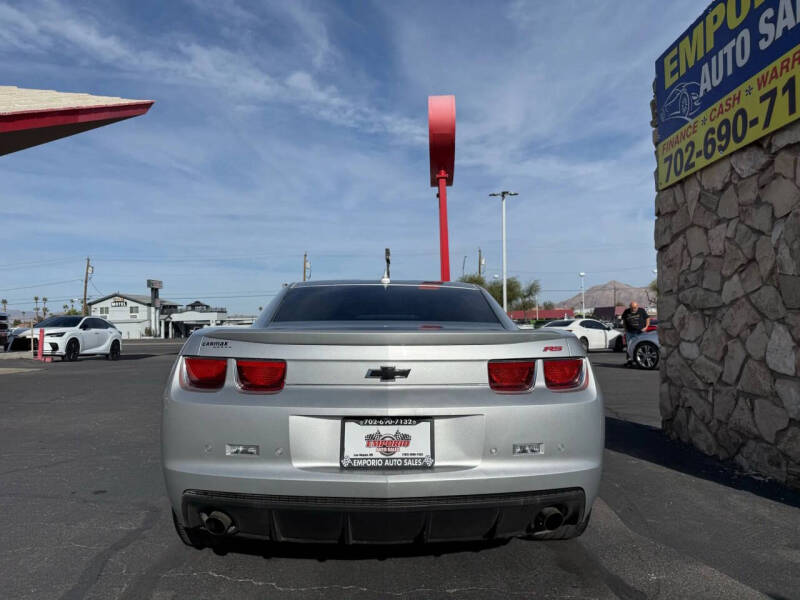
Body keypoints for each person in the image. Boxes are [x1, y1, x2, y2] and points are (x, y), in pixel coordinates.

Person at [621, 301, 650, 365]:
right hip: (630, 332)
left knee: (641, 346)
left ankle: (642, 360)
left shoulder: (641, 310)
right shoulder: (626, 311)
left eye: (634, 307)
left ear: (637, 306)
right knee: (629, 346)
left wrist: (646, 327)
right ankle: (630, 360)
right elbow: (624, 321)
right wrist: (625, 329)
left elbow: (647, 318)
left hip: (640, 332)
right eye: (631, 308)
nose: (633, 309)